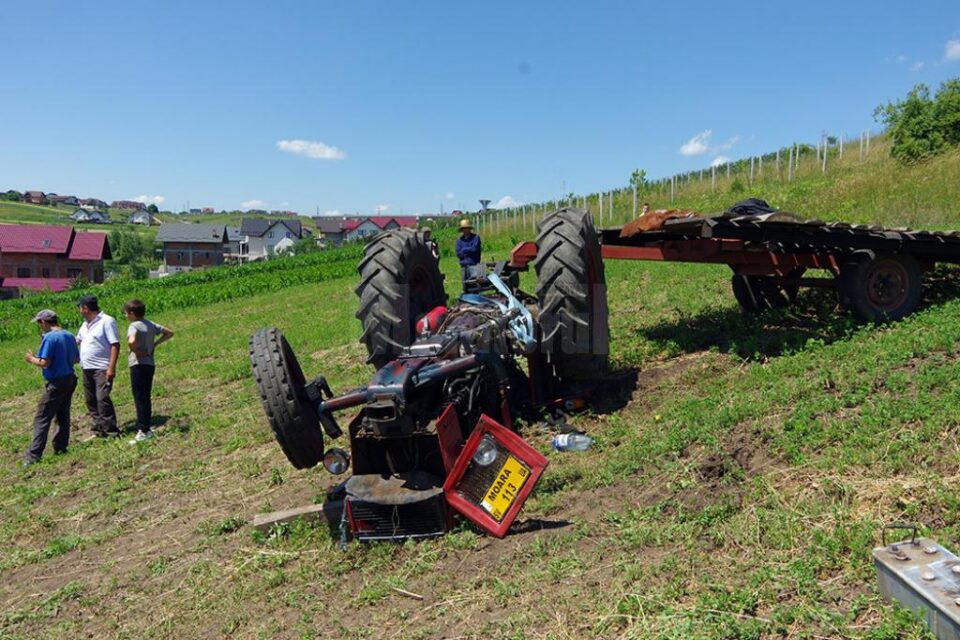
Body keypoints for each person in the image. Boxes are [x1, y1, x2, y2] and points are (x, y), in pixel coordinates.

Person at [23, 310, 80, 466]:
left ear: (43, 322)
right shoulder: (69, 335)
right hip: (70, 379)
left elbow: (44, 362)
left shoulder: (49, 338)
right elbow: (76, 358)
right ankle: (60, 447)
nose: (39, 326)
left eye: (39, 323)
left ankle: (33, 456)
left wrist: (31, 359)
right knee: (63, 415)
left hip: (56, 382)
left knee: (42, 418)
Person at [123, 299, 174, 443]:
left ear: (132, 314)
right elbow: (169, 332)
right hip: (150, 364)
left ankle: (143, 430)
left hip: (138, 364)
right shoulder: (150, 324)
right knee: (145, 396)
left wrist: (136, 351)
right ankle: (146, 428)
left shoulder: (134, 326)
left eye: (126, 313)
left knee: (139, 397)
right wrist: (155, 344)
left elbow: (131, 341)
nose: (126, 316)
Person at [76, 295, 120, 438]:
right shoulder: (84, 325)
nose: (79, 311)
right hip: (86, 367)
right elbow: (77, 341)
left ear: (85, 308)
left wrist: (111, 367)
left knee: (102, 399)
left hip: (101, 367)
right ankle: (99, 429)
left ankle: (111, 431)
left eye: (80, 308)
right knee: (91, 400)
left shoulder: (107, 321)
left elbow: (115, 344)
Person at [455, 218, 482, 285]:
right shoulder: (459, 241)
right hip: (463, 266)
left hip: (474, 265)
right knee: (466, 286)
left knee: (475, 284)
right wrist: (468, 250)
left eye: (466, 228)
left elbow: (475, 249)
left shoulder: (476, 237)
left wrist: (464, 250)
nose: (465, 230)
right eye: (463, 229)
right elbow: (458, 253)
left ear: (469, 228)